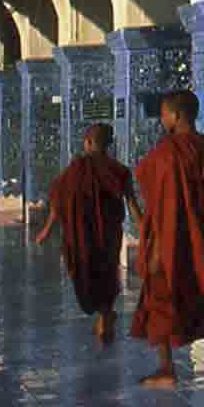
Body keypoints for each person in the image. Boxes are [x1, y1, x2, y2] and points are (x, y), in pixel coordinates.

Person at [130, 90, 204, 387]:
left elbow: (156, 196)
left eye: (164, 114)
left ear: (176, 116)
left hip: (173, 237)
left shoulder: (166, 153)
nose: (162, 119)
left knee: (161, 297)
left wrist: (155, 246)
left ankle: (166, 369)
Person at [35, 123, 143, 343]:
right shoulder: (119, 170)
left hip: (81, 235)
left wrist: (47, 230)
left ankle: (104, 318)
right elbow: (132, 204)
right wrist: (146, 232)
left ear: (88, 142)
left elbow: (58, 201)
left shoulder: (76, 169)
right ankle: (106, 314)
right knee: (107, 272)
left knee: (84, 273)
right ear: (109, 144)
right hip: (108, 235)